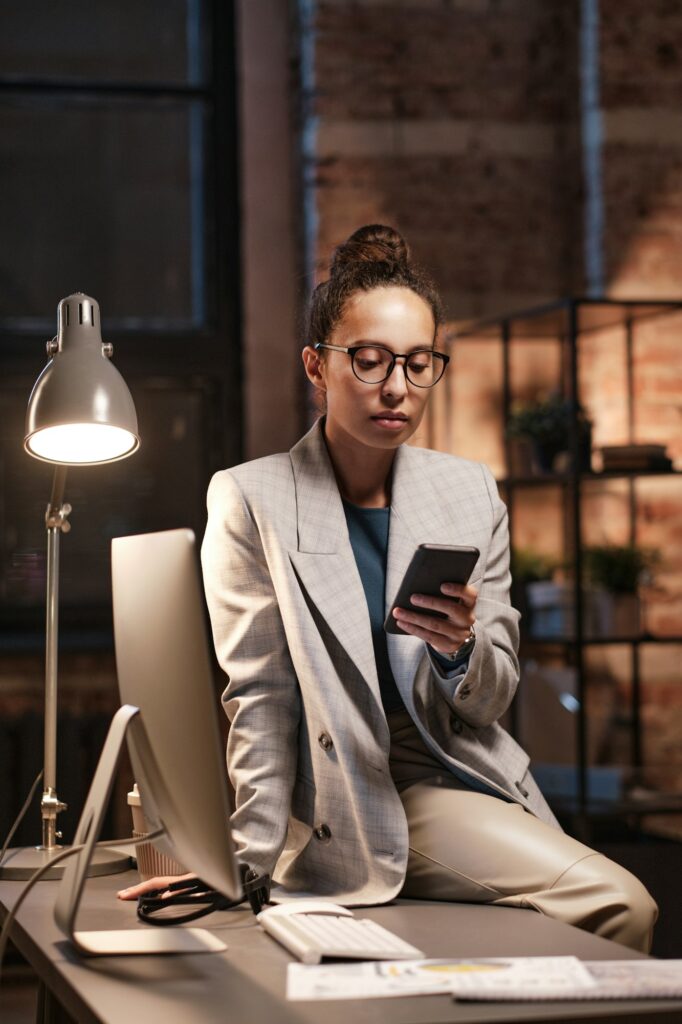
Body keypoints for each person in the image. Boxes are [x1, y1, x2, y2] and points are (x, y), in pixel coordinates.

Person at [119, 224, 657, 952]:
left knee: (602, 917)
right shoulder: (253, 498)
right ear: (317, 365)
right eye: (369, 362)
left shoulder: (468, 492)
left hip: (476, 775)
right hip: (371, 794)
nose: (397, 388)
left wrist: (460, 649)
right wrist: (244, 861)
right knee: (623, 905)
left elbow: (494, 699)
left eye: (418, 363)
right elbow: (262, 698)